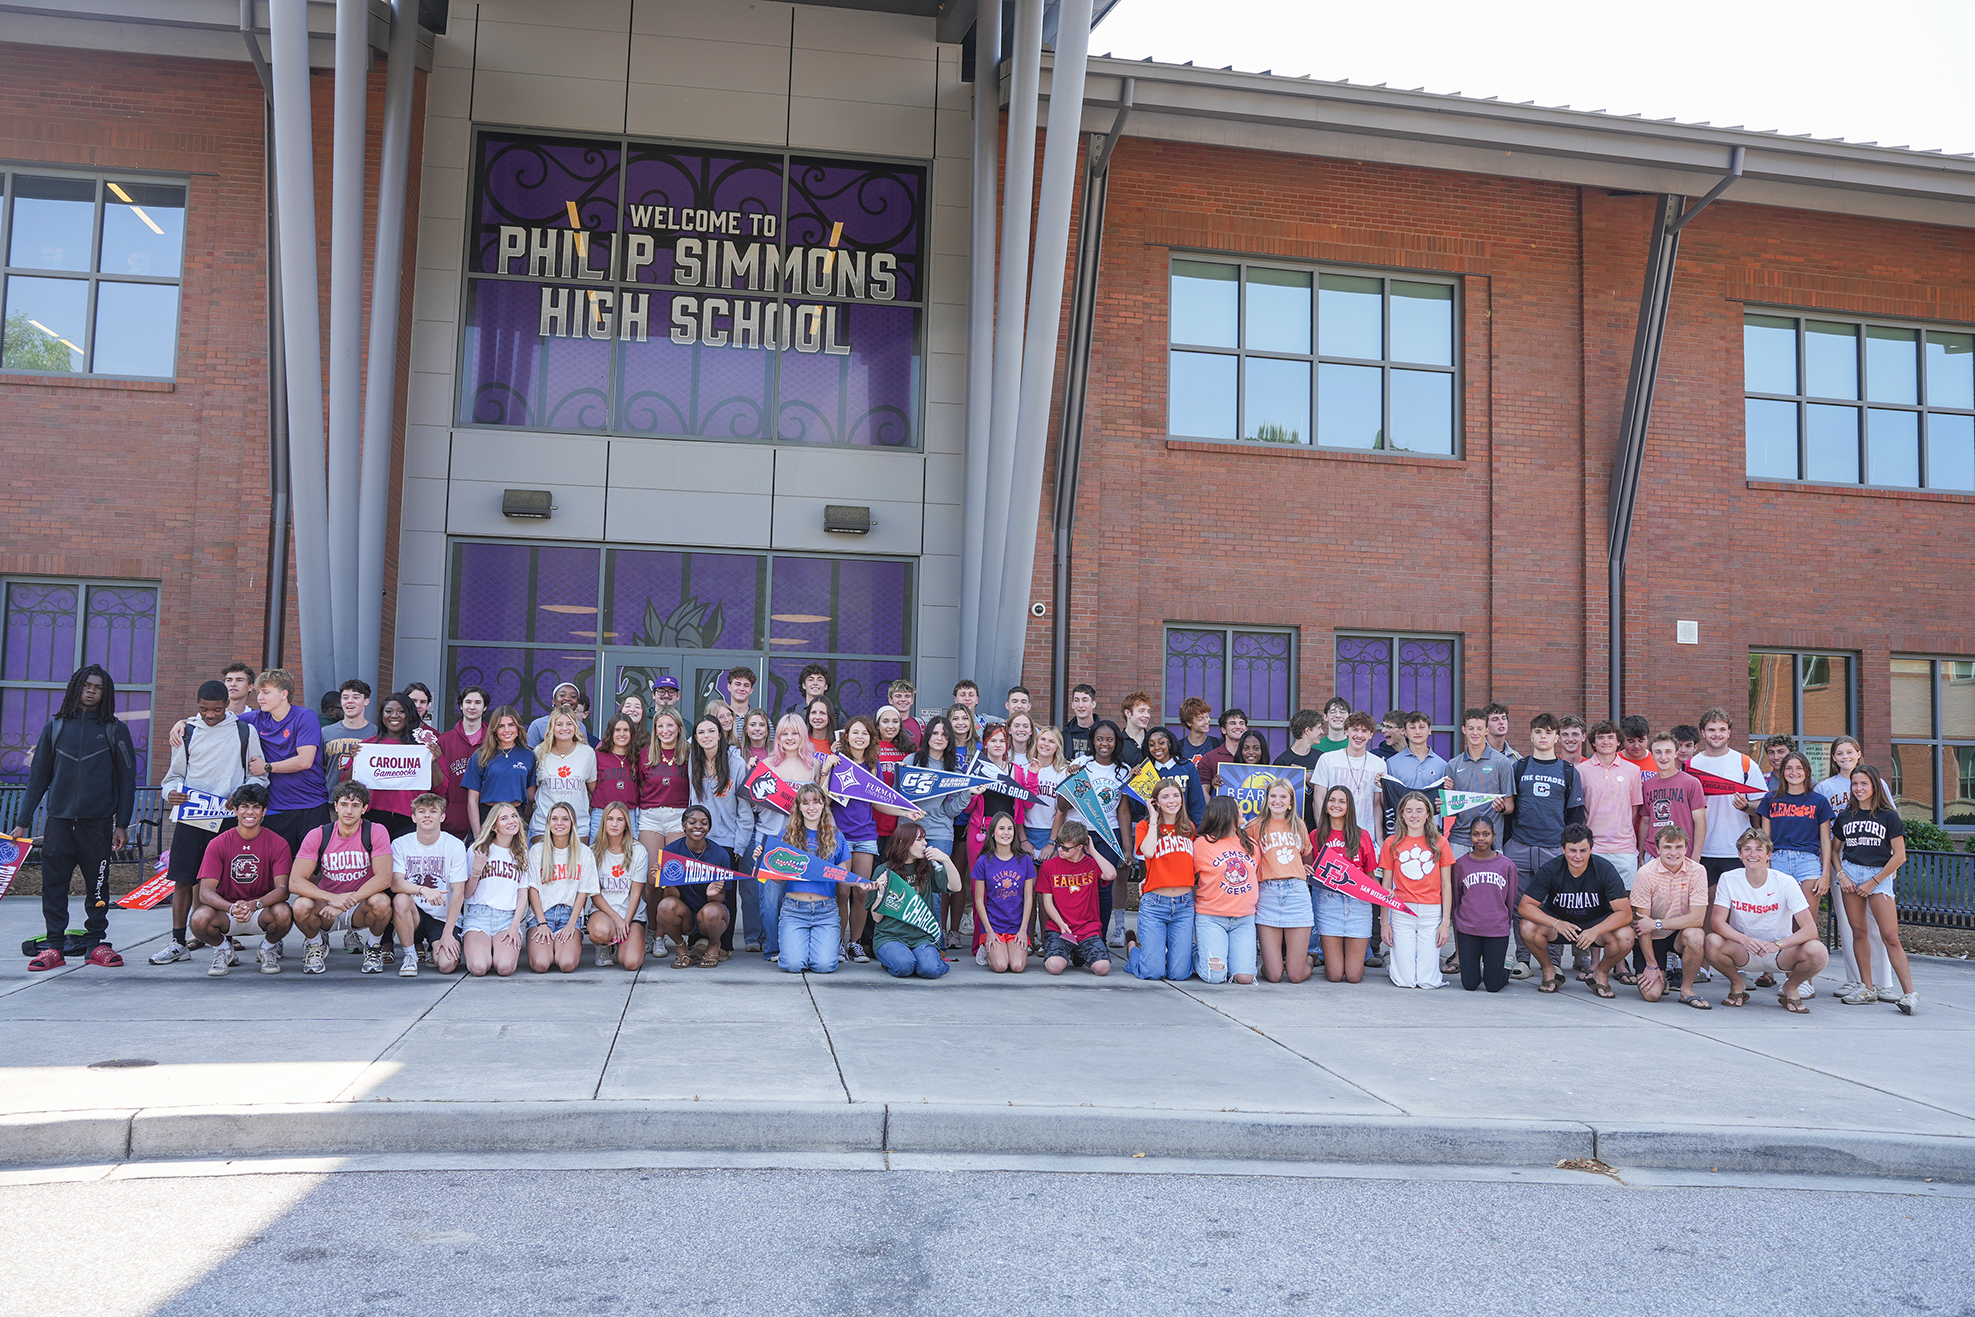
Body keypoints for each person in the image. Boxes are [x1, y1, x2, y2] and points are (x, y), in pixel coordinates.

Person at [15, 665, 138, 969]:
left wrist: (121, 823)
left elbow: (126, 780)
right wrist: (23, 821)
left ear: (105, 692)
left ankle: (96, 944)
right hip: (58, 821)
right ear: (76, 688)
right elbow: (38, 779)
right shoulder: (56, 727)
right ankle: (53, 946)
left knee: (98, 887)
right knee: (54, 886)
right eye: (87, 685)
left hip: (97, 824)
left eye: (98, 686)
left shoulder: (114, 729)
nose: (92, 690)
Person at [152, 679, 266, 964]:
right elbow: (173, 777)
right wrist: (172, 793)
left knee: (225, 883)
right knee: (183, 878)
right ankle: (178, 941)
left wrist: (241, 795)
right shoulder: (188, 731)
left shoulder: (244, 730)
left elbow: (259, 776)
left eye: (216, 709)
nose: (211, 715)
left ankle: (223, 942)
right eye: (204, 710)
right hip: (192, 818)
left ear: (227, 705)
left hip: (229, 820)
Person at [1707, 829, 1831, 1012]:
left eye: (1759, 849)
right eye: (1747, 849)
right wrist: (1744, 940)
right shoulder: (1728, 878)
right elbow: (1717, 922)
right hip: (1744, 950)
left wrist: (1778, 944)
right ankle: (1737, 983)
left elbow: (1810, 930)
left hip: (1780, 953)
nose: (1753, 854)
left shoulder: (1785, 882)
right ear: (1739, 854)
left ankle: (1791, 986)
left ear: (1769, 855)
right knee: (1711, 942)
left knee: (1818, 952)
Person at [834, 715, 925, 962]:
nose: (860, 737)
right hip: (839, 836)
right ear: (847, 736)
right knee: (842, 891)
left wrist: (906, 811)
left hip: (865, 835)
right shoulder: (837, 762)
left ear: (870, 738)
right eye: (855, 732)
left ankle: (855, 943)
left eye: (864, 733)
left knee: (862, 892)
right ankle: (838, 943)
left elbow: (879, 802)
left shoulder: (873, 766)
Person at [1499, 713, 1584, 971]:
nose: (1543, 736)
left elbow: (1575, 817)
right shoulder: (1519, 768)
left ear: (1556, 737)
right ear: (1531, 735)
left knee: (1554, 905)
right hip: (1521, 845)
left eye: (1548, 732)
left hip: (1553, 848)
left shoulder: (1569, 772)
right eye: (1538, 732)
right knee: (1519, 905)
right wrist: (1509, 843)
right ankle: (1523, 960)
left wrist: (1568, 850)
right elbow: (1510, 808)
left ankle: (1554, 963)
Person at [1815, 735, 1897, 996]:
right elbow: (1822, 831)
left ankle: (1883, 982)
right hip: (1843, 864)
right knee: (1852, 926)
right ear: (1833, 758)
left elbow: (1890, 821)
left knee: (1878, 927)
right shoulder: (1825, 787)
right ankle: (1856, 980)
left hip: (1877, 865)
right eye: (1839, 753)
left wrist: (1890, 867)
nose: (1845, 757)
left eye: (1849, 752)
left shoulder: (1877, 782)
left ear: (1858, 753)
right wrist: (1831, 867)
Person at [287, 781, 394, 976]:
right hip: (326, 908)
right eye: (344, 804)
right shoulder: (319, 834)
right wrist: (331, 897)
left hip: (360, 907)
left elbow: (384, 879)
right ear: (335, 806)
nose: (349, 811)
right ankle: (315, 945)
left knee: (382, 901)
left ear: (365, 809)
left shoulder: (376, 831)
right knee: (300, 906)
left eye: (355, 805)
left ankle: (373, 947)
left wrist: (344, 902)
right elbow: (295, 881)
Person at [187, 783, 294, 977]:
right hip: (228, 912)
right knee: (198, 918)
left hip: (262, 910)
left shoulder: (278, 843)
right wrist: (230, 908)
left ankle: (268, 948)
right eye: (244, 806)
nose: (250, 812)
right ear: (235, 810)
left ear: (264, 811)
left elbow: (283, 889)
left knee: (284, 912)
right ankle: (223, 950)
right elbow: (205, 892)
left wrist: (255, 904)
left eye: (256, 807)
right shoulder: (218, 843)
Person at [1834, 768, 1917, 1011]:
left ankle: (1910, 993)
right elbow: (1835, 851)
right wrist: (1841, 874)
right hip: (1850, 874)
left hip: (1878, 876)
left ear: (1875, 786)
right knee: (1858, 933)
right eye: (1855, 784)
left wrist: (1874, 881)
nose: (1859, 788)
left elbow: (1899, 856)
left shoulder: (1888, 816)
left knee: (1890, 936)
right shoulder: (1845, 816)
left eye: (1864, 783)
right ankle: (1867, 988)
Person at [1517, 824, 1634, 996]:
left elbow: (1625, 913)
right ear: (1563, 849)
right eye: (1572, 850)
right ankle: (1549, 970)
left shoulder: (1604, 869)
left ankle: (1600, 973)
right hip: (1560, 925)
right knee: (1527, 927)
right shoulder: (1551, 869)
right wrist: (1556, 923)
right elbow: (1525, 906)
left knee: (1626, 935)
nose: (1578, 856)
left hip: (1595, 926)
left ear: (1591, 849)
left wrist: (1595, 930)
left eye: (1583, 850)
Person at [1759, 750, 1834, 998]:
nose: (1793, 773)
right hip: (1778, 860)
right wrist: (1765, 870)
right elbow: (1765, 840)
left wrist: (1825, 875)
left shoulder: (1818, 802)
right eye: (1789, 768)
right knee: (1779, 920)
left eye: (1799, 768)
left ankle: (1804, 980)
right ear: (1783, 772)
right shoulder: (1771, 800)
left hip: (1808, 863)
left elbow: (1826, 841)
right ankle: (1775, 971)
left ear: (1806, 772)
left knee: (1805, 922)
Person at [752, 716, 826, 963]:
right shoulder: (766, 764)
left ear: (803, 735)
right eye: (785, 734)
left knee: (797, 896)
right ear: (778, 738)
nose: (790, 738)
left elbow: (821, 802)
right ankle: (774, 948)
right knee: (770, 900)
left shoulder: (814, 765)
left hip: (804, 841)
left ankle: (796, 946)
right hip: (770, 837)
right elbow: (754, 802)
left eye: (795, 733)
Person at [908, 716, 981, 947]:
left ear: (949, 739)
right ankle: (906, 937)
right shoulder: (911, 761)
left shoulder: (954, 770)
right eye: (935, 733)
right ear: (927, 736)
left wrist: (969, 793)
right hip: (910, 831)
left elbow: (950, 811)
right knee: (908, 885)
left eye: (944, 734)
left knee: (936, 890)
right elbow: (899, 798)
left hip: (940, 832)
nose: (939, 738)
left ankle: (934, 942)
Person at [689, 715, 757, 957]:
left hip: (728, 840)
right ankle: (698, 940)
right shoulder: (692, 760)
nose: (706, 736)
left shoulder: (736, 765)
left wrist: (740, 844)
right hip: (699, 838)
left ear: (720, 734)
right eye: (701, 733)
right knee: (697, 890)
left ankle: (724, 944)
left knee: (724, 894)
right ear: (695, 738)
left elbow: (745, 810)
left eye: (711, 731)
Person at [245, 668, 330, 857]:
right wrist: (185, 723)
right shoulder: (255, 718)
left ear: (284, 694)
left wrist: (266, 767)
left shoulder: (305, 716)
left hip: (311, 805)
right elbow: (219, 721)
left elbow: (305, 761)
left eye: (266, 692)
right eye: (259, 692)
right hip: (276, 807)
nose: (260, 697)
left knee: (314, 867)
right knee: (279, 867)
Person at [779, 783, 861, 974]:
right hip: (794, 910)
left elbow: (842, 877)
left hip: (826, 912)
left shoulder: (836, 837)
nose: (811, 808)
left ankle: (813, 946)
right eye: (805, 803)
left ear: (824, 804)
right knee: (793, 965)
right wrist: (763, 859)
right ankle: (800, 946)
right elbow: (776, 880)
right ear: (798, 807)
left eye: (816, 802)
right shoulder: (787, 837)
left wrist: (862, 883)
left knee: (824, 966)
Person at [387, 791, 468, 977]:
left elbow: (458, 892)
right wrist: (424, 890)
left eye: (433, 811)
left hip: (441, 916)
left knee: (447, 965)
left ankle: (435, 947)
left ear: (443, 816)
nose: (427, 815)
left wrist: (448, 933)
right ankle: (410, 955)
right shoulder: (400, 844)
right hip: (412, 914)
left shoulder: (454, 845)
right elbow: (396, 883)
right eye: (421, 811)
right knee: (400, 899)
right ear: (413, 817)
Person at [1378, 791, 1454, 989]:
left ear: (1428, 813)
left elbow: (1447, 885)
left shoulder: (1440, 843)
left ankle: (1408, 963)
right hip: (1401, 911)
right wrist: (1384, 923)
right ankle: (1393, 962)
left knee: (1428, 981)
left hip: (1431, 912)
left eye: (1419, 810)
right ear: (1401, 814)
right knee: (1406, 981)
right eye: (1409, 810)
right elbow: (1386, 887)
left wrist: (1445, 923)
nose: (1414, 815)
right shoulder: (1391, 843)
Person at [1629, 827, 1711, 1008]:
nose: (1673, 853)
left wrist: (1657, 923)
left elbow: (1698, 920)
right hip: (1652, 937)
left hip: (1679, 934)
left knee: (1696, 935)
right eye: (1667, 847)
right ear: (1657, 849)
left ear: (1686, 848)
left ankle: (1686, 990)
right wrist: (1651, 965)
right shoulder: (1646, 873)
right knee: (1652, 995)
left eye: (1679, 847)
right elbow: (1642, 926)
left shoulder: (1697, 871)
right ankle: (1660, 972)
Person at [1687, 708, 1768, 890]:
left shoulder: (1745, 764)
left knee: (1738, 904)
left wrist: (1746, 806)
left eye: (1722, 730)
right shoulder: (1690, 765)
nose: (1717, 734)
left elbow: (1762, 805)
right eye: (1712, 730)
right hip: (1702, 848)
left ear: (1729, 732)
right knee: (1702, 903)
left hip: (1737, 848)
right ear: (1703, 732)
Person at [1124, 779, 1197, 981]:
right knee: (1153, 972)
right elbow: (1147, 852)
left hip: (1184, 905)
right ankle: (1133, 949)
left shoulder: (1188, 827)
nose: (1171, 801)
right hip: (1155, 904)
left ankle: (1158, 954)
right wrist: (1154, 820)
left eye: (1176, 795)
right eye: (1165, 796)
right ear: (1156, 801)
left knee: (1179, 974)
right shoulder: (1145, 825)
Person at [869, 821, 960, 979]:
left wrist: (946, 860)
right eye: (919, 839)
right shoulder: (883, 870)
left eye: (924, 839)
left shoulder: (927, 868)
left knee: (930, 970)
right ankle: (895, 959)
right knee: (904, 967)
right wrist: (881, 892)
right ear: (904, 843)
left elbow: (956, 887)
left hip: (921, 937)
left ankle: (926, 959)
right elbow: (876, 918)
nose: (925, 843)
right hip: (890, 936)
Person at [1312, 784, 1380, 984]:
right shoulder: (1316, 836)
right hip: (1328, 903)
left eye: (1342, 801)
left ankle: (1352, 959)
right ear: (1325, 805)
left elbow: (1370, 875)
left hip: (1358, 905)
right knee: (1334, 975)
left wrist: (1384, 893)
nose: (1336, 805)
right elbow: (1309, 870)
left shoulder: (1363, 836)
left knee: (1353, 976)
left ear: (1349, 806)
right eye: (1332, 800)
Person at [1248, 778, 1314, 984]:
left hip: (1296, 892)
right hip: (1267, 893)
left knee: (1295, 976)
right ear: (1266, 799)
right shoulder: (1255, 826)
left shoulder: (1298, 825)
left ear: (1291, 801)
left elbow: (1307, 857)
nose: (1277, 800)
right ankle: (1273, 962)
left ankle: (1309, 960)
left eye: (1283, 796)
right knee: (1275, 975)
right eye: (1273, 796)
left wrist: (1302, 868)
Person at [1190, 796, 1259, 985]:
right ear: (1226, 813)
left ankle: (1220, 954)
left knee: (1245, 978)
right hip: (1212, 918)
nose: (1242, 810)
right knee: (1215, 977)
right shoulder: (1202, 844)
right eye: (1238, 808)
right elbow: (1184, 873)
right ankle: (1195, 951)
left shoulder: (1251, 844)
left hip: (1244, 920)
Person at [350, 692, 436, 839]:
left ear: (409, 714)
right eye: (388, 711)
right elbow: (348, 782)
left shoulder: (422, 747)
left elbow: (439, 786)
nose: (394, 715)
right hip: (373, 816)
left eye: (401, 711)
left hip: (411, 817)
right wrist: (356, 761)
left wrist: (434, 761)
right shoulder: (367, 745)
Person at [656, 804, 732, 970]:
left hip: (711, 915)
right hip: (685, 916)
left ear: (709, 827)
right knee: (665, 906)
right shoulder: (671, 851)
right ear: (683, 825)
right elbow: (671, 897)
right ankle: (681, 947)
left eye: (704, 823)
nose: (698, 826)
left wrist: (712, 894)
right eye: (692, 822)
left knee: (713, 911)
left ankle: (714, 945)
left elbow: (721, 899)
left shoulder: (720, 854)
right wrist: (666, 882)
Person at [524, 801, 597, 974]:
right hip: (542, 914)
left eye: (565, 819)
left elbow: (583, 892)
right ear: (548, 822)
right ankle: (548, 946)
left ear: (572, 824)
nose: (559, 823)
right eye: (554, 819)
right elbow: (532, 889)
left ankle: (560, 945)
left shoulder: (584, 852)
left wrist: (572, 923)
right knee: (541, 965)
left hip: (569, 914)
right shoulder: (537, 850)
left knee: (566, 964)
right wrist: (541, 923)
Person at [1038, 819, 1115, 976]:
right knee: (1054, 966)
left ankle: (1078, 952)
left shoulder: (1092, 864)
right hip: (1059, 928)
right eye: (1059, 844)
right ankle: (1071, 952)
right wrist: (1061, 924)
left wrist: (1092, 851)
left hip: (1088, 929)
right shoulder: (1049, 866)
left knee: (1102, 968)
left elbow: (1111, 874)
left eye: (1065, 848)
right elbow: (1047, 901)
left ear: (1080, 847)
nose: (1060, 849)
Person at [461, 803, 530, 977]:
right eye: (504, 818)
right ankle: (484, 949)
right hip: (479, 916)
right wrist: (477, 870)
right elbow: (466, 894)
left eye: (514, 816)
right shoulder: (478, 849)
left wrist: (515, 926)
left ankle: (495, 949)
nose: (512, 821)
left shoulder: (522, 853)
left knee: (505, 968)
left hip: (506, 919)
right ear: (494, 826)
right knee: (478, 968)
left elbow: (523, 896)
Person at [1449, 817, 1516, 993]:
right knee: (1470, 984)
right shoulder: (1460, 865)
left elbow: (1510, 902)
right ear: (1469, 836)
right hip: (1468, 929)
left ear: (1493, 836)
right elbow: (1456, 900)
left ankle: (1505, 968)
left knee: (1493, 986)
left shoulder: (1506, 866)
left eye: (1486, 834)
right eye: (1475, 834)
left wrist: (1503, 924)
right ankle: (1476, 967)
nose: (1481, 838)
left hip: (1496, 930)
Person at [1579, 719, 1645, 883]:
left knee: (1625, 900)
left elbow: (1635, 810)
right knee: (1594, 900)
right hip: (1593, 847)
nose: (1605, 741)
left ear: (1618, 742)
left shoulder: (1633, 770)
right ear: (1593, 742)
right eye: (1600, 737)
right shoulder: (1580, 771)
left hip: (1624, 848)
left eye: (1610, 737)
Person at [584, 800, 647, 970]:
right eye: (610, 819)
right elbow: (595, 894)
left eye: (620, 820)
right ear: (603, 822)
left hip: (631, 915)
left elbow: (635, 894)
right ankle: (604, 946)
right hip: (604, 912)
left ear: (627, 824)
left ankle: (623, 943)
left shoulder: (638, 851)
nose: (614, 824)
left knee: (631, 962)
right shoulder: (593, 852)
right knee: (600, 932)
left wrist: (625, 922)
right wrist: (617, 919)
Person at [1445, 707, 1514, 861]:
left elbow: (1510, 805)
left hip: (1491, 840)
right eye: (1471, 728)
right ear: (1463, 729)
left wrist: (1502, 807)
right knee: (1456, 885)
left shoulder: (1502, 763)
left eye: (1479, 728)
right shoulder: (1453, 765)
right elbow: (1449, 810)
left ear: (1487, 730)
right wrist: (1442, 803)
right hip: (1459, 839)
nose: (1475, 733)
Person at [972, 811, 1035, 973]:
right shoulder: (983, 861)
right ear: (993, 833)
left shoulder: (1025, 859)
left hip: (1016, 925)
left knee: (1017, 966)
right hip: (994, 925)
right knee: (1000, 966)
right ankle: (986, 950)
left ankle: (1007, 947)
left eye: (1010, 828)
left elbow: (1029, 897)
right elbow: (979, 900)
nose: (1006, 833)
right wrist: (989, 932)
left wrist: (1023, 930)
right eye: (1001, 828)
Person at [1314, 712, 1385, 845]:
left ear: (1371, 735)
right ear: (1346, 731)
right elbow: (1319, 799)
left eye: (1365, 731)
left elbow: (1376, 805)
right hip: (1334, 835)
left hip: (1366, 836)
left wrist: (1379, 839)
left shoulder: (1379, 764)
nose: (1359, 735)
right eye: (1355, 729)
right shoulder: (1327, 759)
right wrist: (1322, 831)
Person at [461, 705, 532, 840]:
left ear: (518, 728)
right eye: (501, 726)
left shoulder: (528, 755)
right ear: (494, 730)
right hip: (487, 816)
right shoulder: (481, 756)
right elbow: (472, 799)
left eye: (511, 725)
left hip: (515, 818)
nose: (507, 730)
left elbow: (531, 796)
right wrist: (478, 835)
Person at [530, 709, 596, 842]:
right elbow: (533, 788)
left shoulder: (587, 753)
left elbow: (593, 790)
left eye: (569, 724)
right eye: (559, 724)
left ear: (576, 726)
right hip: (544, 824)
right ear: (551, 727)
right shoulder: (540, 752)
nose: (564, 728)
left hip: (578, 825)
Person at [1641, 732, 1706, 858]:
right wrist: (1641, 851)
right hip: (1653, 853)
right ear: (1652, 755)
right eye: (1658, 752)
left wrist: (1696, 855)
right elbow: (1645, 821)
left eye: (1668, 751)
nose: (1663, 757)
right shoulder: (1647, 785)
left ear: (1676, 753)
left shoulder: (1691, 783)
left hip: (1681, 853)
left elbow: (1700, 822)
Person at [435, 686, 489, 838]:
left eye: (478, 703)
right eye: (468, 702)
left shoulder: (493, 740)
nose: (472, 707)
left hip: (487, 816)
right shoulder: (444, 740)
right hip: (452, 818)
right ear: (460, 705)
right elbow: (439, 783)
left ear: (485, 707)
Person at [638, 708, 690, 858]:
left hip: (679, 816)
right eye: (660, 726)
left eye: (670, 725)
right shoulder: (646, 754)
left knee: (673, 871)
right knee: (652, 875)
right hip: (650, 817)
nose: (665, 731)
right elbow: (642, 785)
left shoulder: (690, 754)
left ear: (679, 728)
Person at [591, 714, 645, 847]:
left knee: (629, 853)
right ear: (611, 732)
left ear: (632, 733)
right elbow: (592, 785)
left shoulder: (638, 758)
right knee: (597, 853)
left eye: (626, 730)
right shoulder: (598, 755)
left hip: (629, 813)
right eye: (617, 730)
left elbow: (642, 786)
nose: (622, 734)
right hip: (601, 812)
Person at [1273, 709, 1327, 828]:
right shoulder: (1282, 761)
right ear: (1307, 730)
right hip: (1289, 827)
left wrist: (1307, 777)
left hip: (1316, 825)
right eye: (1318, 728)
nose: (1322, 732)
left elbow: (1328, 791)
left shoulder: (1321, 758)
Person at [1143, 728, 1207, 828]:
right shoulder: (1146, 772)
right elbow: (1139, 809)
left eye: (1161, 743)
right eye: (1151, 744)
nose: (1156, 747)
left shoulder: (1187, 767)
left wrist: (1199, 833)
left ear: (1170, 744)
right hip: (1155, 831)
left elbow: (1197, 804)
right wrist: (1133, 778)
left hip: (1184, 830)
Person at [320, 678, 376, 783]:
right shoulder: (325, 733)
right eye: (345, 697)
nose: (350, 701)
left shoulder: (376, 733)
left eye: (356, 697)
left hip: (364, 797)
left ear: (366, 701)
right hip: (332, 797)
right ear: (341, 702)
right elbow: (319, 768)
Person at [1196, 708, 1251, 786]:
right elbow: (1203, 792)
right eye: (1233, 723)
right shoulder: (1209, 758)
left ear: (1246, 729)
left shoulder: (1253, 756)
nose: (1238, 727)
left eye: (1242, 723)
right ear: (1223, 730)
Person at [525, 683, 582, 748]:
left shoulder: (581, 726)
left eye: (573, 696)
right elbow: (530, 752)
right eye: (562, 695)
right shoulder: (538, 725)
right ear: (554, 701)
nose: (567, 699)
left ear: (577, 703)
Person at [1175, 696, 1220, 765]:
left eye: (1207, 716)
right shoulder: (1178, 748)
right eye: (1200, 719)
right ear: (1189, 722)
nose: (1207, 721)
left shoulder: (1218, 744)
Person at [1117, 691, 1155, 770]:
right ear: (1128, 713)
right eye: (1141, 711)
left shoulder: (1153, 741)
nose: (1147, 715)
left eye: (1148, 711)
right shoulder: (1118, 743)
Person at [1062, 682, 1100, 761]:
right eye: (1076, 700)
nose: (1080, 705)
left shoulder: (1102, 734)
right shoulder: (1063, 736)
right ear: (1072, 704)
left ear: (1093, 704)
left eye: (1085, 700)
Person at [886, 678, 923, 745]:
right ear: (890, 700)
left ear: (912, 700)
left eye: (907, 696)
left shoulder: (920, 724)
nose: (903, 699)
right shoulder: (883, 724)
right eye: (898, 696)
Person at [723, 665, 758, 730]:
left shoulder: (761, 721)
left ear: (751, 690)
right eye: (737, 684)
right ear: (729, 687)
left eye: (746, 685)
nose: (741, 688)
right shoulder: (720, 719)